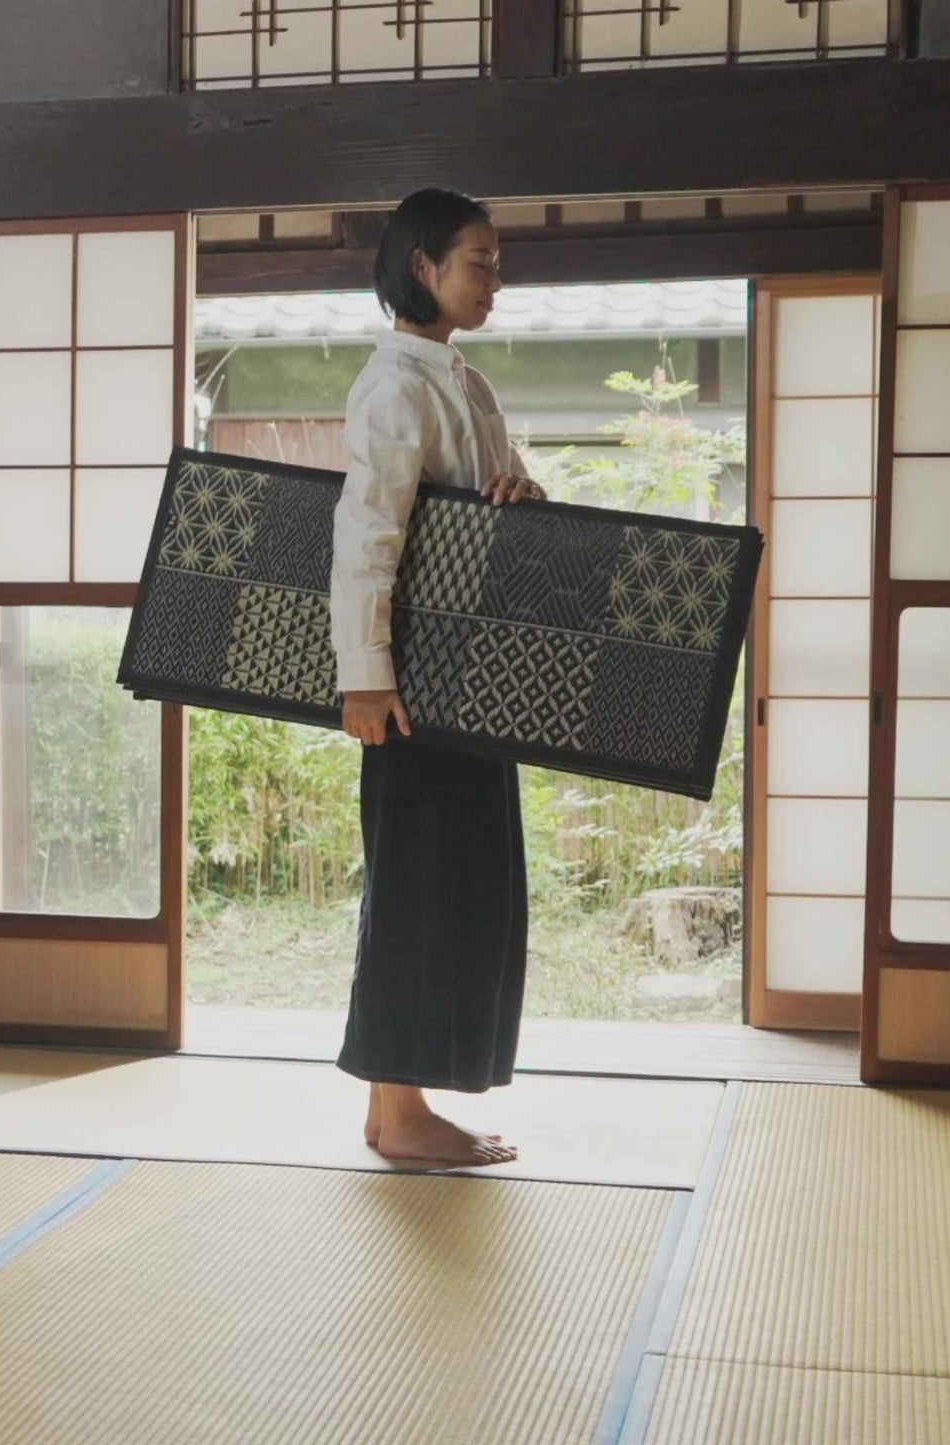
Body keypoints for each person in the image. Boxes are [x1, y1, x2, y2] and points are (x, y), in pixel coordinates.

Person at [328, 187, 547, 1168]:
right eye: (479, 261)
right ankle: (395, 1109)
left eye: (495, 264)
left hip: (468, 685)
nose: (493, 280)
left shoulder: (463, 382)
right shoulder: (392, 386)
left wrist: (519, 492)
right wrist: (362, 675)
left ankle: (405, 1105)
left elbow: (488, 513)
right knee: (417, 887)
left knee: (466, 886)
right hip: (411, 689)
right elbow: (365, 536)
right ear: (422, 265)